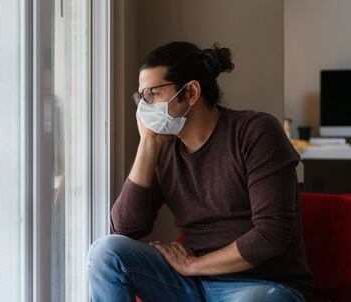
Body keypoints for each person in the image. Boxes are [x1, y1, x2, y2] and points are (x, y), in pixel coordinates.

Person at [87, 41, 314, 302]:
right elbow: (124, 230)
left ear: (191, 92)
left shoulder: (255, 132)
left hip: (262, 285)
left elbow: (272, 234)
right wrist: (147, 144)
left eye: (152, 94)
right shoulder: (164, 147)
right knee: (105, 252)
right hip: (191, 285)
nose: (143, 107)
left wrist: (195, 266)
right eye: (140, 97)